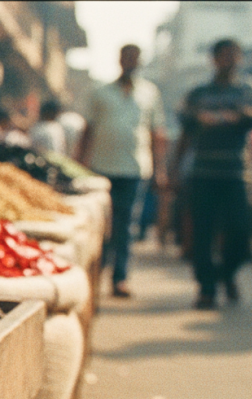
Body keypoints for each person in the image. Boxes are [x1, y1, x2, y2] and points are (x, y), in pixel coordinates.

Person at [77, 44, 166, 298]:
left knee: (126, 226)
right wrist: (79, 163)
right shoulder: (100, 92)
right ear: (119, 60)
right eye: (126, 58)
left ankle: (120, 278)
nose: (130, 62)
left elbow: (155, 133)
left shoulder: (150, 93)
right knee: (102, 223)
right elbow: (88, 130)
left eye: (134, 58)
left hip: (135, 168)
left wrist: (160, 170)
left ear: (139, 62)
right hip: (101, 167)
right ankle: (97, 273)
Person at [174, 39, 252, 309]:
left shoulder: (247, 92)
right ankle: (207, 288)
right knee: (203, 233)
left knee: (240, 231)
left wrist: (236, 117)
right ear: (214, 59)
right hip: (203, 173)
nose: (229, 60)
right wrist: (174, 169)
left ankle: (227, 274)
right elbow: (186, 127)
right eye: (223, 55)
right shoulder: (198, 94)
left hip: (235, 175)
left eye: (233, 55)